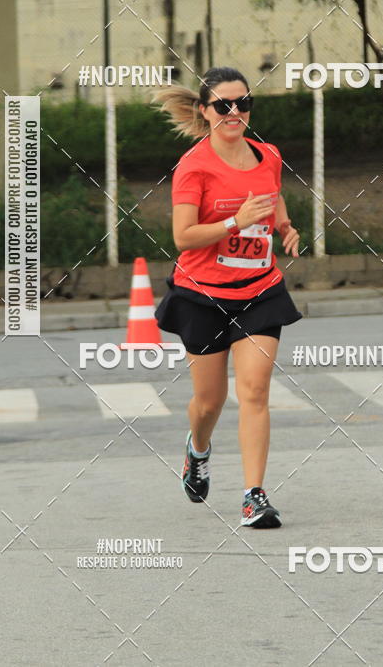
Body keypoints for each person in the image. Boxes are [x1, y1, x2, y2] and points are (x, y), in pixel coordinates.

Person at [153, 66, 302, 528]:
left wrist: (284, 226)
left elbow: (272, 197)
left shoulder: (268, 154)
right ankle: (198, 449)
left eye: (243, 103)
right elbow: (183, 236)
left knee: (255, 390)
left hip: (260, 290)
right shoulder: (194, 167)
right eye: (223, 105)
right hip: (203, 295)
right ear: (205, 110)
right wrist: (235, 222)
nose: (234, 112)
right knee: (209, 402)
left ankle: (253, 495)